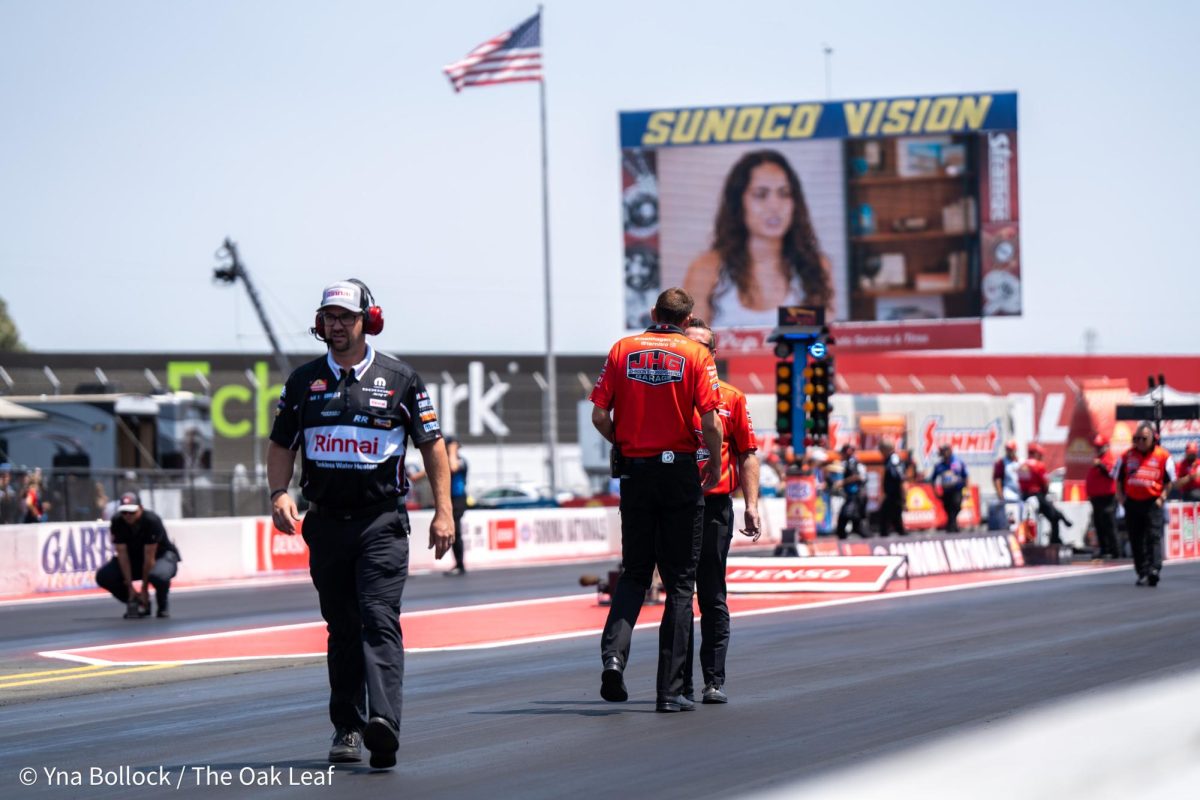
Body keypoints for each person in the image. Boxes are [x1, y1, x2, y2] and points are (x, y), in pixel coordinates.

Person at [267, 279, 454, 769]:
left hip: (382, 524)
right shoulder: (302, 380)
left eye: (346, 317)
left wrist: (444, 511)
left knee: (379, 618)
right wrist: (278, 492)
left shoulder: (401, 378)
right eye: (329, 317)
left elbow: (432, 445)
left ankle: (384, 724)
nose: (336, 325)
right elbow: (281, 444)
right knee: (343, 627)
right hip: (326, 524)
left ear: (368, 320)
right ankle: (347, 725)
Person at [590, 287, 722, 713]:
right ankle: (670, 692)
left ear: (653, 312)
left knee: (634, 573)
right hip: (680, 470)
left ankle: (613, 657)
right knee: (681, 583)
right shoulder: (696, 355)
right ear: (687, 320)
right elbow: (712, 422)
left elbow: (598, 414)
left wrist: (624, 443)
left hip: (637, 472)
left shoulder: (623, 348)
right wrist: (716, 466)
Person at [682, 319, 760, 705]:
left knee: (711, 595)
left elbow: (748, 453)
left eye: (701, 346)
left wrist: (752, 505)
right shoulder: (670, 396)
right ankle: (678, 684)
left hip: (715, 507)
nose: (694, 350)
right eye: (687, 343)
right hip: (675, 506)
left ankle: (713, 680)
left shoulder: (732, 397)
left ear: (711, 355)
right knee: (678, 595)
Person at [683, 150, 833, 328]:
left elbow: (821, 346)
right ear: (739, 203)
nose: (774, 206)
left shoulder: (815, 268)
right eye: (761, 194)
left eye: (784, 193)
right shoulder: (706, 270)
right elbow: (692, 348)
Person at [95, 492, 181, 619]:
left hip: (160, 558)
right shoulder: (118, 521)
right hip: (135, 559)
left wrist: (144, 588)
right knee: (104, 576)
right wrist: (131, 588)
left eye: (131, 512)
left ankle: (162, 605)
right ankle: (137, 602)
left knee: (158, 575)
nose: (128, 516)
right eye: (124, 512)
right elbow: (122, 556)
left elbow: (149, 558)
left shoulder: (151, 521)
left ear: (140, 508)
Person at [1116, 422, 1175, 587]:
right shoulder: (1126, 456)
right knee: (1136, 538)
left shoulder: (1163, 456)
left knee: (1153, 536)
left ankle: (1154, 569)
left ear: (1153, 439)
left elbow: (1170, 482)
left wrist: (1161, 498)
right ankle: (1142, 571)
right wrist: (1122, 499)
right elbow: (1118, 480)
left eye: (1144, 438)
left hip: (1152, 503)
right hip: (1132, 503)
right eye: (1137, 438)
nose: (1140, 442)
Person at [1018, 442, 1072, 546]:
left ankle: (1062, 519)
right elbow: (1045, 483)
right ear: (1036, 453)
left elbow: (1021, 482)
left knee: (1028, 519)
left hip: (1024, 496)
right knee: (1054, 516)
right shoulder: (1038, 465)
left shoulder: (1022, 466)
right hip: (1037, 496)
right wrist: (1044, 494)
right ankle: (1055, 539)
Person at [1086, 435, 1120, 559]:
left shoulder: (1109, 457)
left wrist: (1100, 465)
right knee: (1099, 524)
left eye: (1099, 446)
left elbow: (1111, 473)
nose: (1097, 448)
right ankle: (1104, 548)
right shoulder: (1098, 458)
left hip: (1107, 497)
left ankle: (1115, 550)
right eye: (1096, 446)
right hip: (1096, 497)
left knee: (1109, 523)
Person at [443, 435, 469, 576]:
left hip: (458, 498)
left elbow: (453, 467)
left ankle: (460, 564)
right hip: (449, 499)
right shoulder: (446, 460)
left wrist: (452, 450)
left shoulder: (460, 460)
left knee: (456, 531)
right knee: (452, 532)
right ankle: (458, 563)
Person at [929, 443, 969, 533]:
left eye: (945, 451)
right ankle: (952, 525)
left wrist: (966, 490)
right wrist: (935, 492)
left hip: (957, 489)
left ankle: (952, 524)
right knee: (948, 508)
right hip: (946, 491)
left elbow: (965, 476)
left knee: (956, 505)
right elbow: (933, 479)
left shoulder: (958, 462)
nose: (944, 453)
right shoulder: (939, 466)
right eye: (942, 451)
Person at [833, 443, 867, 539]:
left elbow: (857, 476)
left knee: (845, 516)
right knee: (855, 517)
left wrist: (842, 482)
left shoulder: (853, 463)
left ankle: (843, 536)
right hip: (853, 494)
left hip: (855, 494)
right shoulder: (851, 462)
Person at [878, 437, 906, 536]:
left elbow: (900, 478)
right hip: (891, 495)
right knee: (894, 519)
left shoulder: (893, 459)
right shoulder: (889, 460)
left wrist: (904, 496)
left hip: (895, 495)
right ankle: (900, 535)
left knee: (886, 517)